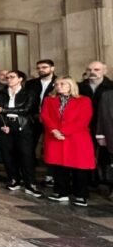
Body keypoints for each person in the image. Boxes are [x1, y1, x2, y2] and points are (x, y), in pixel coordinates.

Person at [42, 77, 94, 206]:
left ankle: (80, 195)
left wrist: (63, 131)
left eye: (62, 84)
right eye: (57, 84)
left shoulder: (84, 100)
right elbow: (45, 116)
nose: (58, 86)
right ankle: (61, 192)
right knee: (59, 166)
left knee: (79, 168)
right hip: (55, 137)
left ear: (71, 85)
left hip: (76, 138)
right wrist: (54, 130)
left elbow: (84, 120)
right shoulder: (49, 99)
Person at [0, 70, 42, 197]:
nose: (8, 79)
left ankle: (30, 184)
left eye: (12, 77)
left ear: (20, 79)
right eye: (7, 77)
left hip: (23, 126)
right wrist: (4, 125)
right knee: (8, 154)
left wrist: (4, 109)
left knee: (26, 154)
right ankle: (14, 179)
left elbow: (26, 109)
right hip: (5, 126)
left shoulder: (29, 93)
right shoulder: (1, 93)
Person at [79, 60, 113, 188]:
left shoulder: (111, 87)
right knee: (85, 154)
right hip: (84, 126)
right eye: (89, 70)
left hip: (106, 126)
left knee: (106, 155)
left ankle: (107, 181)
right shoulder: (79, 87)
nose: (92, 72)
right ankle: (89, 181)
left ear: (105, 71)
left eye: (96, 69)